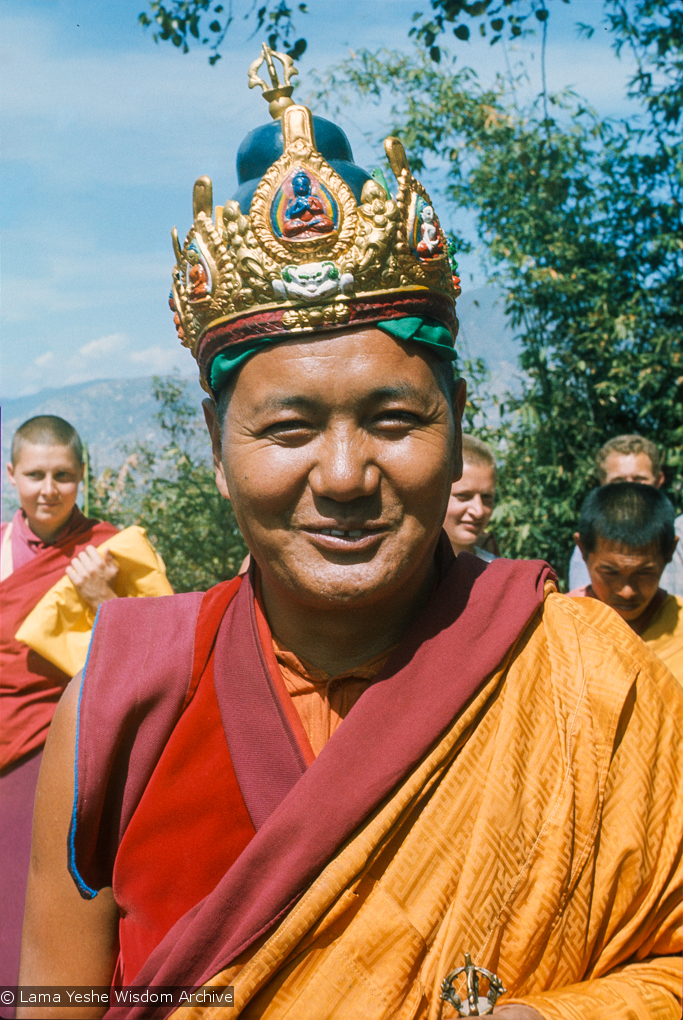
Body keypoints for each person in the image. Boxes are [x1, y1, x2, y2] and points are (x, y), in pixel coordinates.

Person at [19, 48, 682, 1020]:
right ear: (215, 442)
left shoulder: (590, 681)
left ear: (455, 420)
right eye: (287, 429)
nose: (340, 477)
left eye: (393, 420)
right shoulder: (126, 696)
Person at [0, 415, 172, 994]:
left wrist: (103, 599)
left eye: (63, 475)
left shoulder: (112, 550)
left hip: (67, 754)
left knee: (48, 911)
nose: (48, 488)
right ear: (12, 475)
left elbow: (163, 661)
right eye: (35, 475)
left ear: (82, 477)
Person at [569, 482, 682, 685]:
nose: (627, 591)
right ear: (583, 549)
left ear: (670, 551)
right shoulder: (558, 626)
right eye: (610, 572)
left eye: (645, 572)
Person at [568, 434, 683, 594]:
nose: (629, 489)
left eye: (639, 480)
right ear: (603, 484)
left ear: (658, 480)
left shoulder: (680, 534)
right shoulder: (593, 544)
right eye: (618, 482)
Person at [443, 434, 499, 562]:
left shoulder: (499, 572)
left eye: (486, 497)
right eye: (463, 496)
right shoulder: (406, 573)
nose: (478, 512)